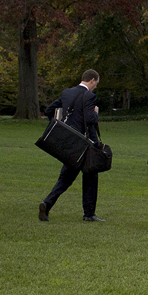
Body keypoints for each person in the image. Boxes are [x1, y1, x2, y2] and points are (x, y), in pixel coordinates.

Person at [39, 69, 104, 223]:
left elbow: (49, 110)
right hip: (84, 144)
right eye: (96, 83)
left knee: (65, 178)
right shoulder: (90, 96)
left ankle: (47, 203)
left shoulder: (67, 93)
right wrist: (95, 113)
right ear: (92, 80)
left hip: (69, 142)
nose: (95, 86)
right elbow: (90, 119)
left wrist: (61, 126)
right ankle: (89, 213)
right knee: (90, 176)